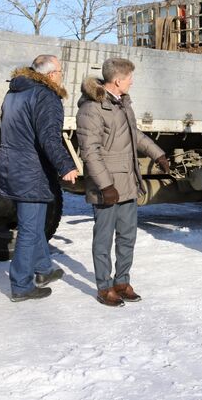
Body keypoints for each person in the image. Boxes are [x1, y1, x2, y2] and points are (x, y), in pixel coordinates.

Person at [76, 58, 170, 307]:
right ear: (118, 80)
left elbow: (134, 134)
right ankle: (104, 286)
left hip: (127, 181)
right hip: (106, 187)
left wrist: (157, 153)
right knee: (104, 239)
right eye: (130, 78)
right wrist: (106, 186)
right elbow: (90, 151)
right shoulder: (91, 108)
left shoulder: (123, 104)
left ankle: (122, 281)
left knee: (128, 236)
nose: (132, 82)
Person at [0, 55, 79, 302]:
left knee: (33, 223)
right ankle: (21, 285)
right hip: (31, 170)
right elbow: (49, 137)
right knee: (30, 229)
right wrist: (66, 165)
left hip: (13, 166)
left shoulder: (14, 92)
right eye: (60, 71)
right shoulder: (45, 95)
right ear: (51, 74)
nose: (61, 75)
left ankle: (44, 269)